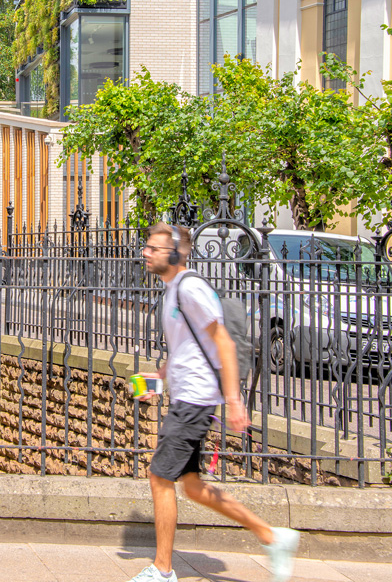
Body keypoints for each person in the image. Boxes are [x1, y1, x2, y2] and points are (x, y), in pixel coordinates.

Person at [127, 222, 299, 582]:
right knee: (192, 486)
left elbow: (222, 342)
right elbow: (186, 348)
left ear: (174, 253)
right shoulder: (173, 291)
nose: (146, 252)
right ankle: (273, 536)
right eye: (147, 246)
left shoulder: (190, 289)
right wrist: (159, 379)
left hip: (196, 400)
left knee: (159, 476)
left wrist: (234, 400)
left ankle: (162, 570)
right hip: (186, 396)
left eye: (154, 248)